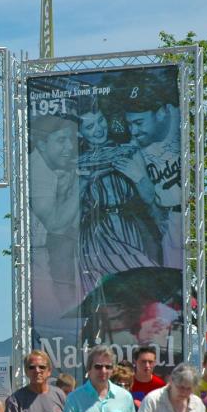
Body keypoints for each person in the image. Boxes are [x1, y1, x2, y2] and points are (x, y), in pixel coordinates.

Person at [75, 99, 163, 295]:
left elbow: (150, 197)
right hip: (96, 232)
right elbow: (68, 215)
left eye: (101, 120)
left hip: (129, 227)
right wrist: (83, 182)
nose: (99, 129)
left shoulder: (129, 151)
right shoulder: (76, 163)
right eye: (90, 126)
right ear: (80, 133)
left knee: (139, 283)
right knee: (117, 287)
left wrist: (138, 177)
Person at [116, 70, 183, 269]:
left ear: (162, 112)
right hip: (172, 221)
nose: (134, 131)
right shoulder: (136, 146)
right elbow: (149, 199)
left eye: (139, 122)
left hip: (202, 215)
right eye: (129, 124)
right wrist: (138, 177)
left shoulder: (184, 123)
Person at [29, 114, 81, 306]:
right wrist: (79, 184)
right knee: (56, 311)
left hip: (59, 254)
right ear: (42, 144)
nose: (69, 147)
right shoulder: (36, 170)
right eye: (61, 140)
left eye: (70, 139)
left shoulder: (58, 165)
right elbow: (55, 225)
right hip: (40, 258)